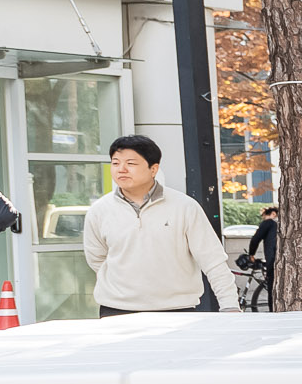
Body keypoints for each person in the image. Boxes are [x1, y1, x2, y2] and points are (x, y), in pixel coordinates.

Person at [83, 135, 237, 316]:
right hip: (116, 311)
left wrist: (230, 305)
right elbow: (97, 260)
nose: (121, 169)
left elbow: (212, 260)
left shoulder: (184, 206)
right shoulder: (99, 210)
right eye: (115, 163)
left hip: (178, 311)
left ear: (153, 169)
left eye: (131, 163)